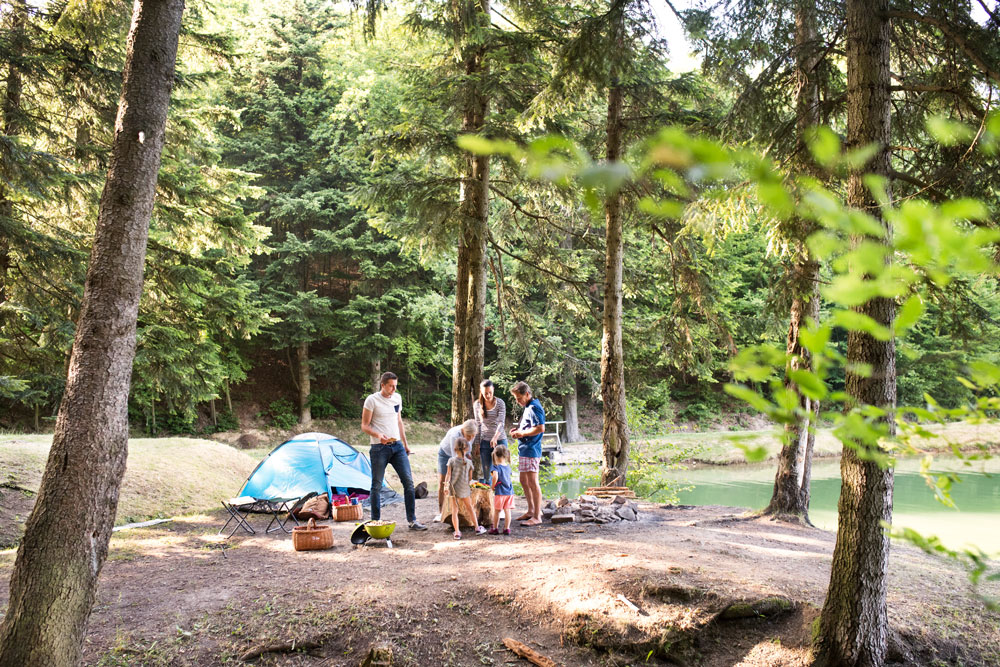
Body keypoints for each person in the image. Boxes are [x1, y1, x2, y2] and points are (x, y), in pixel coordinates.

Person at [361, 371, 427, 530]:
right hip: (379, 448)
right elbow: (364, 425)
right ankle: (375, 522)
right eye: (390, 386)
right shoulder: (372, 400)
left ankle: (412, 521)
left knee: (409, 483)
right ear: (382, 385)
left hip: (397, 446)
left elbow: (399, 421)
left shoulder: (397, 398)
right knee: (376, 485)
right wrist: (378, 435)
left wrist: (405, 443)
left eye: (395, 386)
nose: (393, 389)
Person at [509, 381, 545, 526]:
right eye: (516, 399)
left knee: (533, 482)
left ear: (527, 394)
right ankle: (530, 510)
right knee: (524, 481)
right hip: (524, 448)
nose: (517, 401)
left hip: (531, 449)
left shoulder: (535, 407)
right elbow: (528, 425)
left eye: (519, 398)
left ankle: (537, 516)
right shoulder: (528, 406)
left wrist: (522, 433)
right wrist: (517, 431)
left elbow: (540, 428)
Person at [434, 419, 477, 522]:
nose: (471, 438)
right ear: (463, 430)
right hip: (445, 453)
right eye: (468, 436)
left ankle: (461, 511)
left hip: (461, 455)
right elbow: (455, 459)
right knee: (443, 482)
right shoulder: (454, 435)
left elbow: (467, 450)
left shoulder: (471, 433)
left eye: (473, 436)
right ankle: (441, 512)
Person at [444, 438, 486, 539]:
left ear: (455, 449)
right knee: (470, 508)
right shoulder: (469, 462)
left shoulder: (451, 461)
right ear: (467, 449)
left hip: (453, 488)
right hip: (464, 488)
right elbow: (470, 478)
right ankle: (477, 528)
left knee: (455, 510)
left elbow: (448, 475)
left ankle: (457, 532)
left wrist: (445, 486)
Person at [473, 379, 507, 484]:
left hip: (500, 440)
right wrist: (477, 443)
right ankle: (489, 497)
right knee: (488, 473)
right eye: (485, 393)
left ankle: (502, 496)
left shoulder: (500, 403)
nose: (488, 395)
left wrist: (495, 437)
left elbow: (501, 422)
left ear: (493, 390)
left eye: (490, 393)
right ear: (481, 392)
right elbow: (478, 424)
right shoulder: (477, 404)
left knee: (501, 472)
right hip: (485, 441)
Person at [488, 444, 514, 535]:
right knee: (507, 510)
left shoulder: (496, 467)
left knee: (497, 511)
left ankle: (495, 528)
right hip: (509, 492)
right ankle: (507, 528)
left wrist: (492, 487)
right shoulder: (508, 467)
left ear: (495, 455)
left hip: (500, 492)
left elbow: (495, 477)